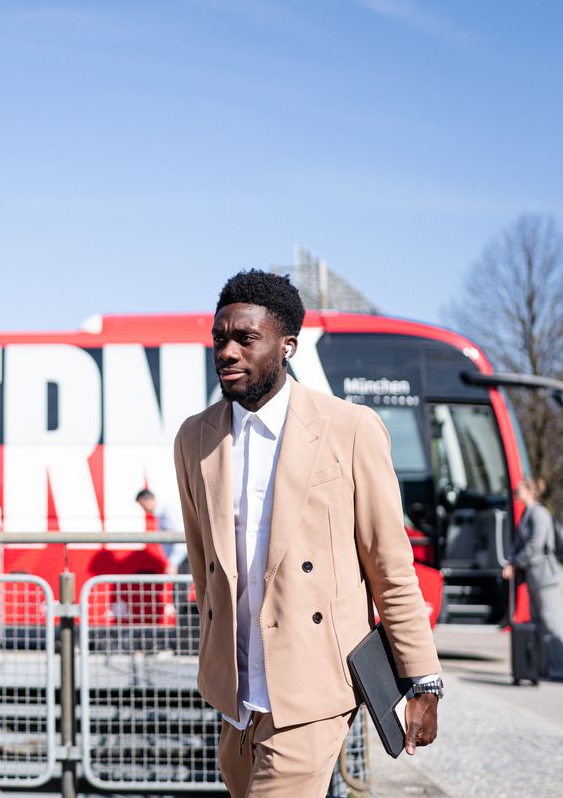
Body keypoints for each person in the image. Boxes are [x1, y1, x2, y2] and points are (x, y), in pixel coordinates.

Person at [173, 270, 441, 796]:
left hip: (312, 687)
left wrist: (423, 679)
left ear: (287, 345)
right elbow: (204, 561)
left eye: (245, 339)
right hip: (235, 696)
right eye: (219, 338)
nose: (227, 351)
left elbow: (390, 567)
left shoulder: (350, 428)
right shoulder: (194, 437)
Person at [502, 478, 563, 681]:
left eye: (519, 489)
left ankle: (562, 670)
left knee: (553, 625)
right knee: (541, 625)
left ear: (529, 490)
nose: (516, 491)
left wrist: (515, 563)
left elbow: (536, 544)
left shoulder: (539, 513)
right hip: (536, 578)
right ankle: (546, 668)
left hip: (546, 577)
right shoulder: (528, 514)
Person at [136, 488, 188, 573]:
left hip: (181, 558)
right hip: (180, 558)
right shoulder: (162, 513)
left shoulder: (167, 512)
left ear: (148, 500)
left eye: (142, 505)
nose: (143, 509)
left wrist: (173, 563)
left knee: (181, 585)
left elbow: (181, 537)